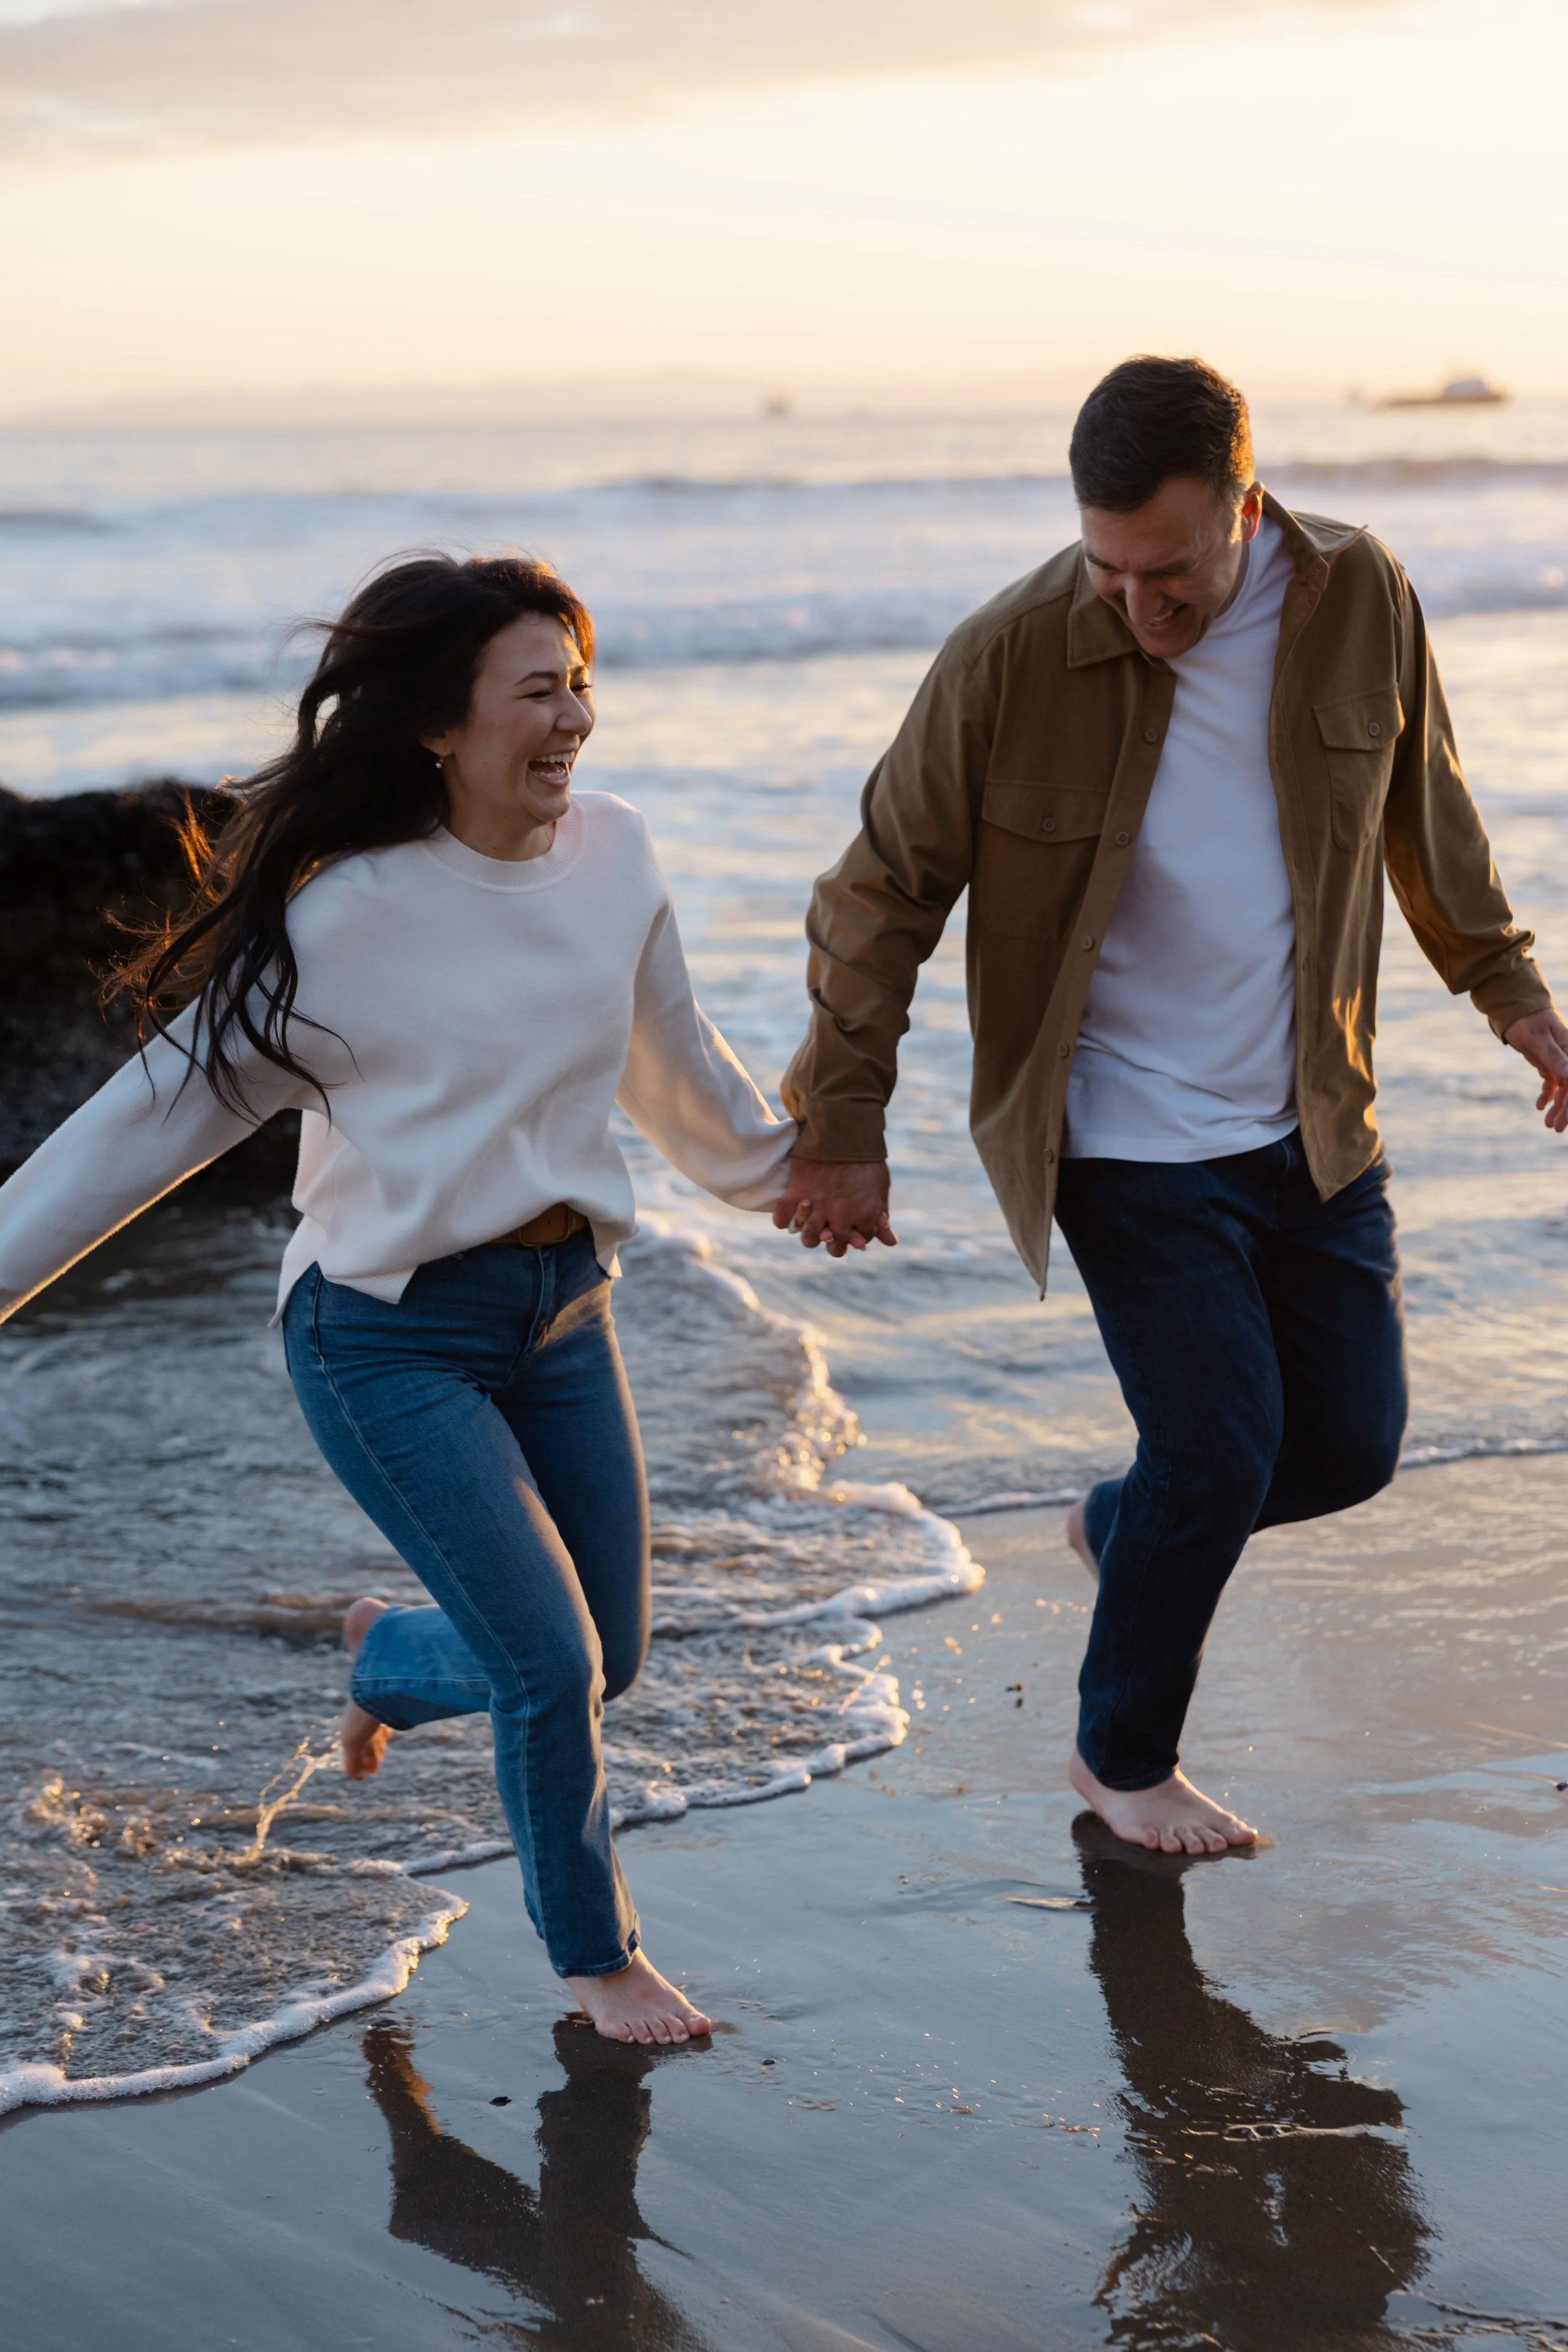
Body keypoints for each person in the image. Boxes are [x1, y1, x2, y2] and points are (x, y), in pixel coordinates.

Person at [773, 356, 1568, 1857]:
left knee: (1341, 1448)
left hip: (1310, 1112)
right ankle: (1119, 1761)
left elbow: (1426, 820)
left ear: (1246, 511)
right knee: (1213, 1451)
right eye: (1107, 571)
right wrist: (840, 1127)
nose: (1139, 608)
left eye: (1173, 575)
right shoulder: (1009, 652)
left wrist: (1513, 1001)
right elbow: (876, 891)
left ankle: (1117, 1528)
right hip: (1121, 1133)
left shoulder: (1357, 595)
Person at [0, 553, 798, 2043]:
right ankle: (596, 1959)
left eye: (579, 687)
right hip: (384, 1332)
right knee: (552, 1666)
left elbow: (673, 1060)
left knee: (603, 1655)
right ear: (440, 723)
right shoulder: (348, 919)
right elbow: (147, 1120)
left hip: (565, 1309)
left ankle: (385, 1650)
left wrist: (785, 1179)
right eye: (535, 694)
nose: (570, 723)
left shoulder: (615, 854)